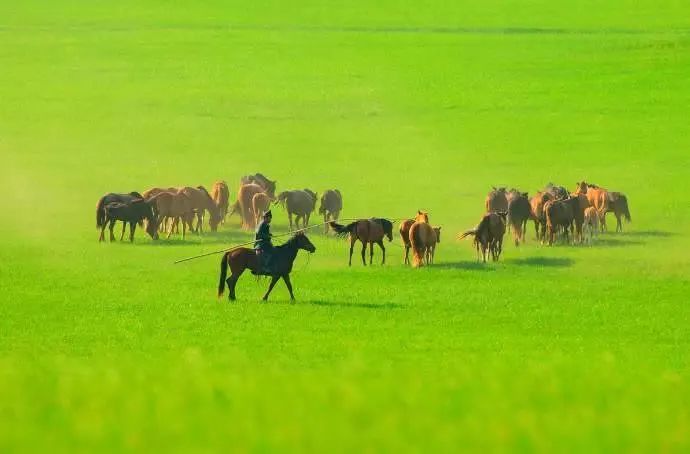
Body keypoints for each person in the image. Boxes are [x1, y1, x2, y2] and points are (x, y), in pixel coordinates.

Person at [254, 210, 274, 274]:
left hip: (265, 242)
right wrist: (267, 236)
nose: (270, 219)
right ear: (265, 218)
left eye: (270, 217)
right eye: (269, 218)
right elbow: (259, 233)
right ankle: (264, 267)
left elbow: (265, 233)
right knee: (270, 251)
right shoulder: (262, 224)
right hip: (260, 243)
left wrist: (269, 234)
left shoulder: (266, 224)